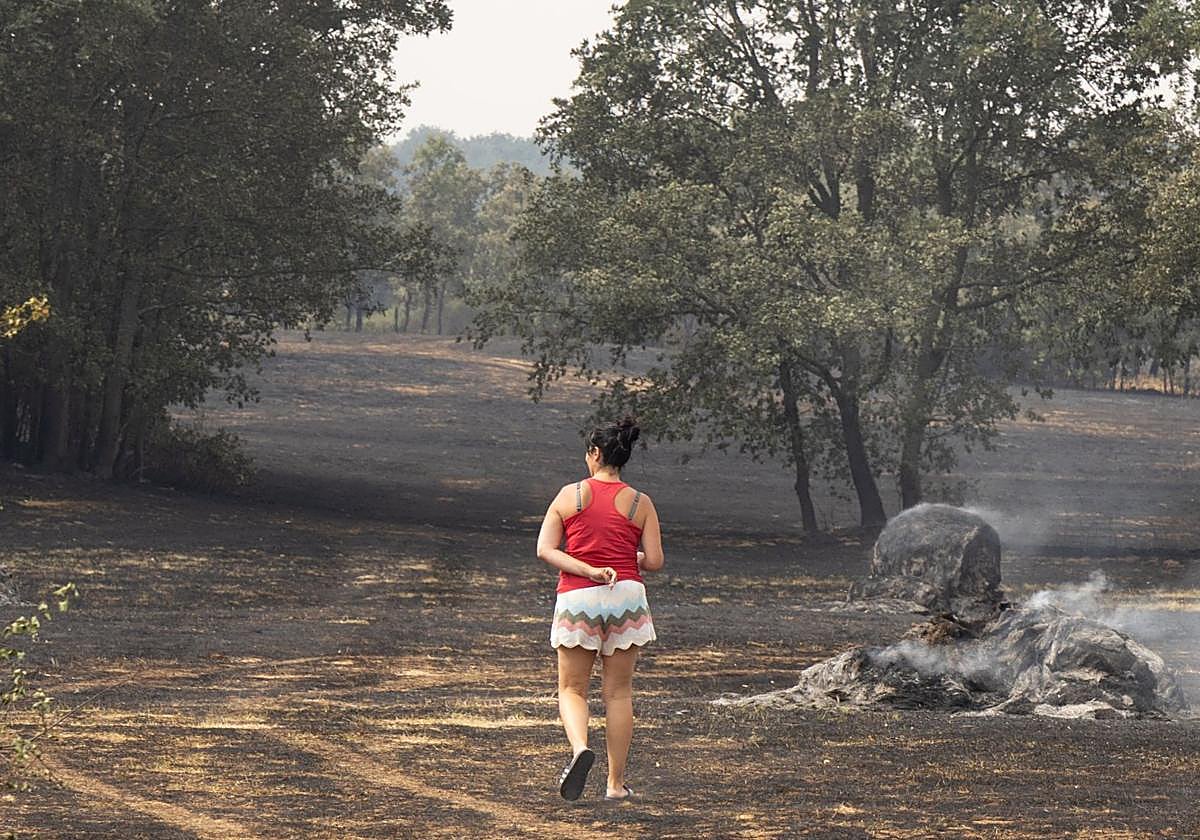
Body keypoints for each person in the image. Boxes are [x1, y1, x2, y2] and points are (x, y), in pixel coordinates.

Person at [537, 417, 664, 802]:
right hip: (626, 595)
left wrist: (589, 568)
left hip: (580, 596)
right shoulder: (641, 502)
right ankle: (615, 785)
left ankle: (579, 749)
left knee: (573, 688)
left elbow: (546, 549)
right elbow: (655, 560)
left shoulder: (569, 496)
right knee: (619, 693)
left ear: (595, 453)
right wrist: (628, 557)